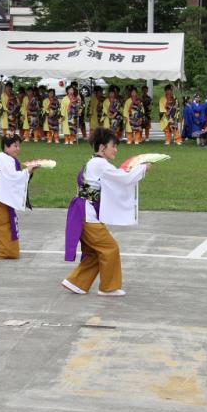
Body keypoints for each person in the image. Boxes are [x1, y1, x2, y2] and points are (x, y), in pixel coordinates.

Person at [62, 127, 150, 297]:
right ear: (102, 147)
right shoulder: (99, 164)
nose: (116, 150)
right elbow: (123, 178)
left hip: (84, 212)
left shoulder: (95, 163)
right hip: (86, 213)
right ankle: (108, 287)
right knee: (110, 248)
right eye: (113, 146)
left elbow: (117, 177)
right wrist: (143, 168)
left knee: (96, 251)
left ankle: (77, 282)